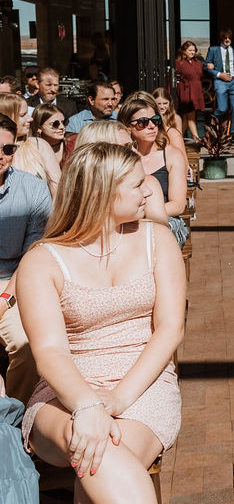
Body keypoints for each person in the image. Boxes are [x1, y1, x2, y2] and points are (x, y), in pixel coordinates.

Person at [18, 143, 185, 503]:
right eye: (138, 183)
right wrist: (87, 405)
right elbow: (50, 350)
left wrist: (118, 398)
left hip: (145, 384)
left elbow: (170, 328)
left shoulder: (158, 240)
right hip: (64, 391)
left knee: (100, 457)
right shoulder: (42, 261)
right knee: (99, 451)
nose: (149, 189)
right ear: (101, 193)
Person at [0, 114, 52, 405]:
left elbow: (33, 255)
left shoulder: (32, 189)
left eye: (8, 149)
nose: (2, 156)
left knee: (26, 343)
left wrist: (6, 298)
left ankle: (15, 415)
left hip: (14, 283)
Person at [118, 93, 189, 247]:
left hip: (167, 221)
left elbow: (178, 205)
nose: (151, 126)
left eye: (155, 120)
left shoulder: (171, 155)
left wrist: (141, 213)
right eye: (143, 122)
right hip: (129, 220)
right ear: (127, 126)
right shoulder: (121, 156)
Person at [75, 122, 170, 226]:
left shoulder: (148, 183)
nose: (137, 153)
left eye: (134, 145)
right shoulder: (75, 189)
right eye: (126, 148)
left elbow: (159, 232)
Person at [0, 94, 60, 197]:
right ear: (7, 116)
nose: (30, 119)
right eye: (23, 115)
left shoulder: (38, 145)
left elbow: (56, 185)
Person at [204, 29, 234, 138]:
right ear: (221, 38)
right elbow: (205, 67)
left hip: (233, 82)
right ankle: (211, 124)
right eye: (225, 37)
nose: (227, 39)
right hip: (220, 82)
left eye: (229, 38)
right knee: (222, 108)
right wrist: (219, 74)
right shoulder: (213, 50)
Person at [174, 41, 204, 141]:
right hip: (185, 91)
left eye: (194, 50)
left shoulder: (198, 62)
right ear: (184, 51)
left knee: (187, 117)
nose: (192, 52)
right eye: (190, 50)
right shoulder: (179, 62)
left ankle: (177, 137)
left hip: (196, 90)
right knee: (190, 115)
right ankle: (196, 137)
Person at [152, 88, 187, 157]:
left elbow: (179, 142)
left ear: (170, 102)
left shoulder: (176, 118)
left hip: (173, 154)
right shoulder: (151, 119)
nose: (162, 107)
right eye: (158, 104)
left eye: (165, 103)